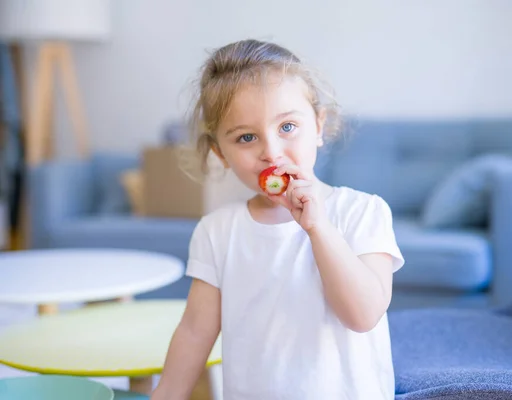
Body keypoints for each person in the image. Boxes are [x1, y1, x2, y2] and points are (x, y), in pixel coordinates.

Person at [150, 39, 405, 400]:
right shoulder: (218, 231)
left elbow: (363, 315)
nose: (271, 151)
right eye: (247, 137)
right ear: (220, 153)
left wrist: (318, 227)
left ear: (318, 126)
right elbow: (194, 332)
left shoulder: (363, 212)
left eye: (287, 127)